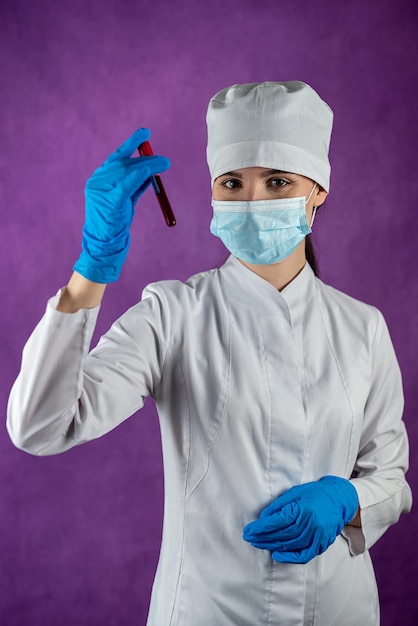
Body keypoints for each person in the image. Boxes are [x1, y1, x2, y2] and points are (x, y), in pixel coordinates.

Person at [7, 81, 412, 626]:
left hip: (338, 610)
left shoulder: (363, 328)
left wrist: (347, 498)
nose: (252, 201)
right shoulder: (172, 315)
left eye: (276, 182)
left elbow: (390, 477)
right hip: (204, 610)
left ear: (317, 190)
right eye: (231, 183)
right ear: (212, 192)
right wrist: (91, 271)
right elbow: (40, 427)